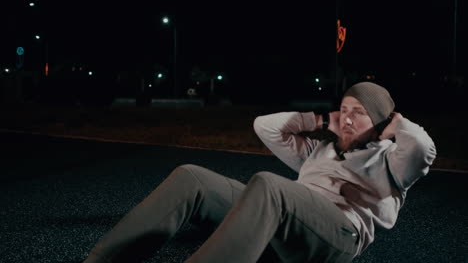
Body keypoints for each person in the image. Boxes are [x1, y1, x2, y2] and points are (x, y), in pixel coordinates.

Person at [83, 82, 436, 263]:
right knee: (192, 177)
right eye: (342, 109)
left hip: (337, 235)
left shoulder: (391, 160)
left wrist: (397, 124)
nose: (345, 118)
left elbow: (422, 149)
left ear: (381, 121)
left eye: (358, 112)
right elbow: (266, 127)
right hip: (284, 218)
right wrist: (318, 121)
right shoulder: (320, 149)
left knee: (268, 185)